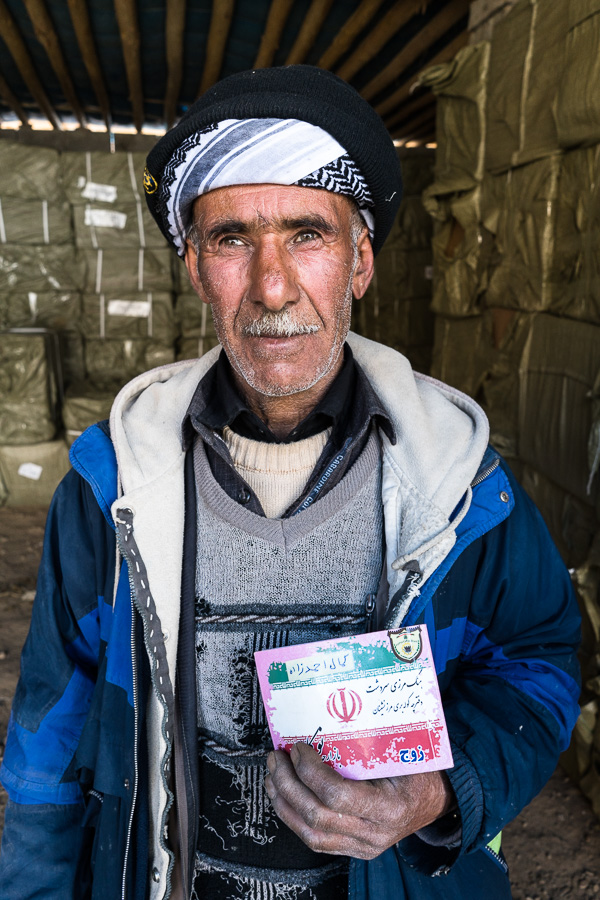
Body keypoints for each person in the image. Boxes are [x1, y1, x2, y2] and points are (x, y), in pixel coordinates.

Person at [0, 66, 580, 900]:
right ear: (197, 269)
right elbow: (47, 745)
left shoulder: (459, 488)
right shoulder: (111, 488)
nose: (273, 287)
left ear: (361, 261)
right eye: (234, 239)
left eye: (308, 234)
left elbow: (538, 660)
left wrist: (439, 791)